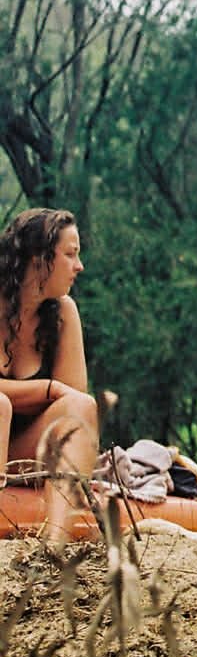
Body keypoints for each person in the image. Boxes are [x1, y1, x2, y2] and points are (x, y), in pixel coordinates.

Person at [0, 208, 100, 544]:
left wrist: (52, 392)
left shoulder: (62, 312)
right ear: (38, 259)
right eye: (70, 255)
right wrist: (47, 389)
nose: (79, 266)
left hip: (22, 451)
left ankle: (54, 546)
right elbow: (55, 391)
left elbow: (72, 399)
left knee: (81, 408)